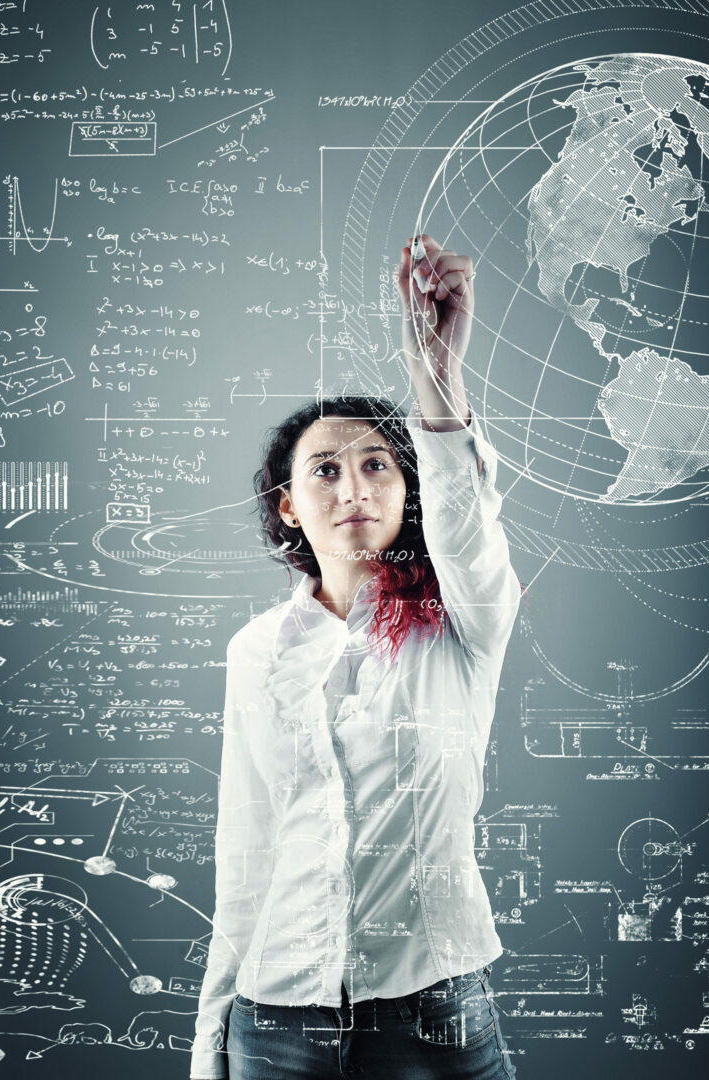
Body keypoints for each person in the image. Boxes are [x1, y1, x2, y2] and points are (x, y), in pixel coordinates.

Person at [190, 235, 521, 1079]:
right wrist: (210, 1042)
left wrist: (435, 375)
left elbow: (469, 524)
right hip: (275, 1020)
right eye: (325, 471)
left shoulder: (463, 623)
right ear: (289, 507)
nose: (353, 487)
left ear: (408, 493)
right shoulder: (256, 652)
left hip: (435, 1012)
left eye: (377, 464)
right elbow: (247, 849)